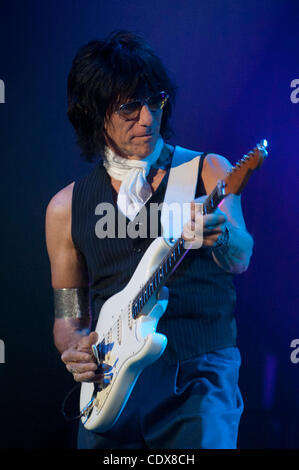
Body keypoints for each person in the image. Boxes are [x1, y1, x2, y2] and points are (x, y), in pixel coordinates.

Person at [45, 30, 254, 449]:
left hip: (197, 376)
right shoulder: (66, 207)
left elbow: (241, 255)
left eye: (154, 101)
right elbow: (69, 315)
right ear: (93, 113)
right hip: (111, 388)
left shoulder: (207, 170)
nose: (147, 118)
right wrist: (75, 347)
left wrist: (221, 235)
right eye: (129, 106)